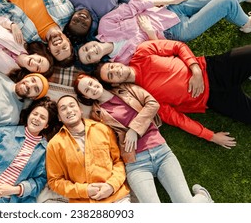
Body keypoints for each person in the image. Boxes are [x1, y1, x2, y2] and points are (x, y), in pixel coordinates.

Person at [74, 73, 214, 203]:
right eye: (87, 90)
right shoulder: (96, 116)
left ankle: (202, 197)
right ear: (86, 97)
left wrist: (134, 130)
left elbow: (152, 104)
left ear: (96, 79)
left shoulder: (126, 89)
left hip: (161, 152)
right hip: (135, 164)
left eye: (91, 83)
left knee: (185, 204)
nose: (92, 88)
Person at [94, 39, 251, 148]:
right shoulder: (146, 98)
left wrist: (195, 70)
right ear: (115, 83)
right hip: (214, 98)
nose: (115, 70)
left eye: (111, 67)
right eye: (111, 75)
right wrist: (211, 136)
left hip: (211, 69)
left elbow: (178, 47)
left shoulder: (142, 52)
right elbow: (179, 120)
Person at [78, 0, 251, 65]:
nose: (90, 51)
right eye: (88, 57)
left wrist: (171, 0)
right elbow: (156, 54)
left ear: (88, 42)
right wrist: (151, 34)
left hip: (171, 10)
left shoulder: (105, 26)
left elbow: (135, 5)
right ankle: (247, 23)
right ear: (94, 62)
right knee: (225, 2)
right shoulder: (122, 61)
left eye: (85, 49)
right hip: (176, 32)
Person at [0, 96, 59, 203]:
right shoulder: (4, 132)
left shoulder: (45, 151)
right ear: (29, 115)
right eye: (35, 114)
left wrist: (14, 190)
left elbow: (40, 180)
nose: (37, 118)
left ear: (46, 125)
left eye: (42, 117)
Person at [46, 95, 130, 203]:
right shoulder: (54, 144)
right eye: (63, 108)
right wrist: (84, 190)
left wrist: (111, 186)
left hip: (116, 197)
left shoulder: (103, 129)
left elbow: (118, 162)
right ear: (59, 117)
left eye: (72, 105)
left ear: (80, 110)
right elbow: (55, 181)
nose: (69, 110)